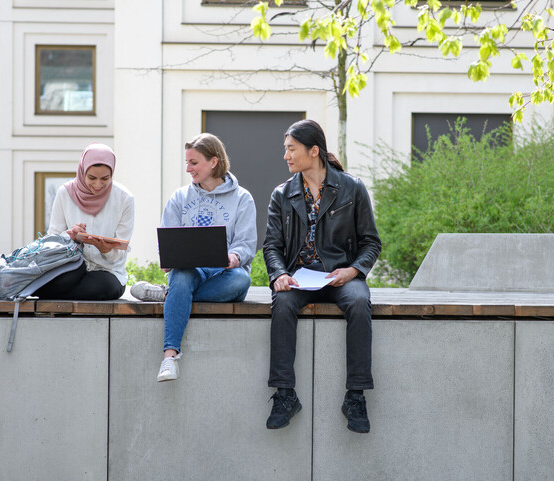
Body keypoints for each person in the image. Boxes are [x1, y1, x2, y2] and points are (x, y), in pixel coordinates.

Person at [263, 119, 381, 433]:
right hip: (300, 279)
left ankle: (355, 396)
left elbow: (371, 241)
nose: (286, 156)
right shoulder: (282, 194)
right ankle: (285, 393)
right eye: (285, 149)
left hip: (341, 276)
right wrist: (279, 274)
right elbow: (272, 245)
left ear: (313, 151)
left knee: (359, 302)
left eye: (291, 149)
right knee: (283, 302)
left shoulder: (351, 188)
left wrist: (353, 270)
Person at [140, 133, 257, 382]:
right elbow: (168, 242)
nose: (188, 169)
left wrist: (233, 257)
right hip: (192, 271)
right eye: (187, 162)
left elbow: (246, 244)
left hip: (225, 274)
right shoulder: (179, 198)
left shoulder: (242, 198)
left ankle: (170, 295)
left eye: (194, 163)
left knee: (241, 281)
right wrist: (170, 259)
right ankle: (169, 357)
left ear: (213, 161)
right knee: (181, 276)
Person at [0, 142, 134, 300]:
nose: (98, 184)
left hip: (107, 271)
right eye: (92, 178)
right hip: (69, 264)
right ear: (82, 171)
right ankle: (18, 288)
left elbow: (121, 254)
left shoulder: (125, 199)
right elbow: (52, 240)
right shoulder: (65, 193)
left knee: (105, 288)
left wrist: (106, 250)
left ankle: (10, 289)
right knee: (68, 278)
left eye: (105, 178)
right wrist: (70, 235)